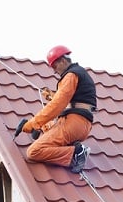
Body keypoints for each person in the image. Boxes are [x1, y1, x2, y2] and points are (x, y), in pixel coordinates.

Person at [21, 45, 96, 173]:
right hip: (79, 124)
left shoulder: (71, 75)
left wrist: (33, 123)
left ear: (62, 60)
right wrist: (52, 96)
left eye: (55, 66)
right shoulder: (79, 73)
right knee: (46, 125)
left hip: (73, 123)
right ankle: (41, 133)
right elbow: (70, 100)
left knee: (33, 152)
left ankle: (76, 152)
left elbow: (57, 105)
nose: (55, 71)